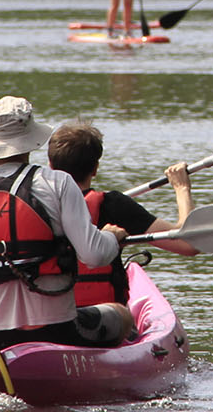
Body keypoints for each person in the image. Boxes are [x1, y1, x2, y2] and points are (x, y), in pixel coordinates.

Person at [0, 95, 127, 348]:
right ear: (30, 139)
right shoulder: (58, 183)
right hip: (56, 330)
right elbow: (93, 255)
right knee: (122, 314)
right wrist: (112, 237)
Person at [46, 119, 199, 319]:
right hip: (103, 317)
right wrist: (181, 188)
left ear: (50, 166)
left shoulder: (33, 205)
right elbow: (188, 244)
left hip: (48, 318)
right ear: (95, 169)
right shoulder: (113, 205)